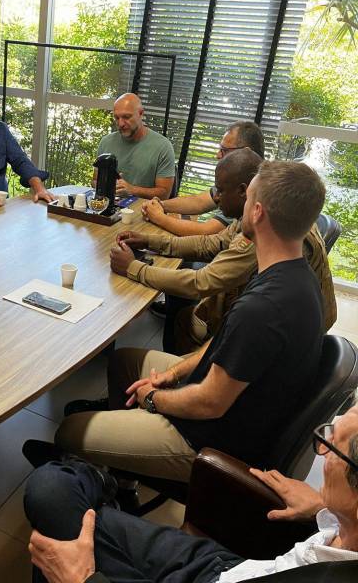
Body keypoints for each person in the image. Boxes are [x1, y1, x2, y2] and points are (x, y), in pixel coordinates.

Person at [25, 161, 329, 484]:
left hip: (208, 441)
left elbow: (209, 402)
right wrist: (173, 373)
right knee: (124, 362)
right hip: (232, 404)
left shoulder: (261, 309)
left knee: (70, 430)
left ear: (256, 212)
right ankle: (123, 474)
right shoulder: (298, 278)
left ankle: (96, 481)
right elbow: (222, 344)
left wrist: (154, 398)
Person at [24, 406, 358, 583]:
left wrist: (80, 580)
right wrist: (325, 508)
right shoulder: (345, 533)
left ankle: (97, 480)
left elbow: (209, 400)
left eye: (331, 447)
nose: (322, 456)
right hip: (227, 569)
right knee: (53, 495)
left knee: (51, 495)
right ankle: (101, 482)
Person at [110, 149, 336, 352]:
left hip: (276, 339)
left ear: (245, 193)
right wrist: (149, 241)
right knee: (185, 313)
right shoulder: (270, 213)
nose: (215, 197)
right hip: (289, 323)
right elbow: (210, 244)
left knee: (179, 322)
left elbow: (201, 283)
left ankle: (185, 376)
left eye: (220, 190)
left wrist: (133, 267)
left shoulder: (265, 232)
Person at [142, 120, 265, 237]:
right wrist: (160, 205)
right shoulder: (238, 178)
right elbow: (199, 202)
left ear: (245, 153)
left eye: (224, 150)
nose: (218, 155)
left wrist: (158, 217)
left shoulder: (250, 191)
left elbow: (206, 232)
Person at [95, 93, 176, 200]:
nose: (121, 124)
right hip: (111, 205)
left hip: (144, 208)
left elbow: (164, 194)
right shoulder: (106, 142)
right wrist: (107, 185)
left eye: (126, 117)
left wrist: (132, 190)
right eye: (117, 118)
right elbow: (95, 181)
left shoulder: (163, 147)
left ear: (141, 114)